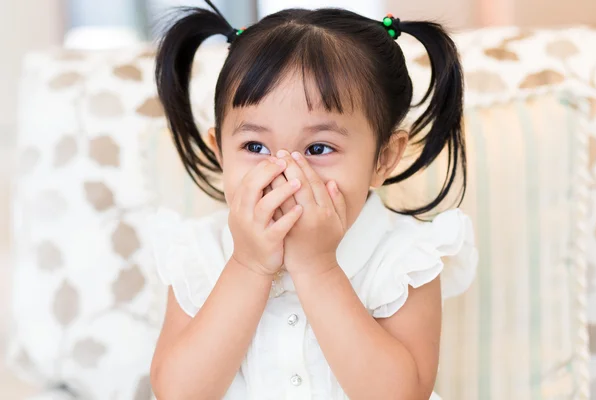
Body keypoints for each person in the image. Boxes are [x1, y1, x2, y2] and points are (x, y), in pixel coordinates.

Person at [146, 1, 478, 398]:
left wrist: (317, 267)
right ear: (220, 152)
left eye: (318, 149)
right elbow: (177, 393)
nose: (286, 171)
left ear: (383, 159)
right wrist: (247, 265)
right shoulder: (200, 252)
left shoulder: (405, 258)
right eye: (255, 145)